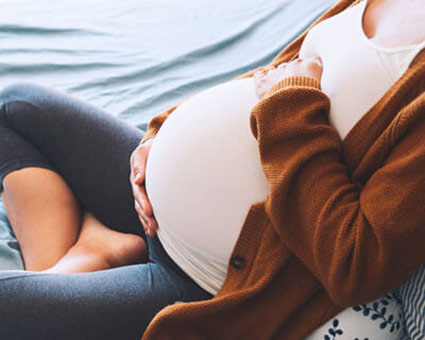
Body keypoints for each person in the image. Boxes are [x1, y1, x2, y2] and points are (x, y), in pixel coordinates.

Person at [0, 0, 423, 339]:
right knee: (15, 107)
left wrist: (290, 104)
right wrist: (159, 134)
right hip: (150, 209)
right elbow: (271, 76)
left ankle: (81, 263)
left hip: (213, 280)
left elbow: (357, 263)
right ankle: (90, 254)